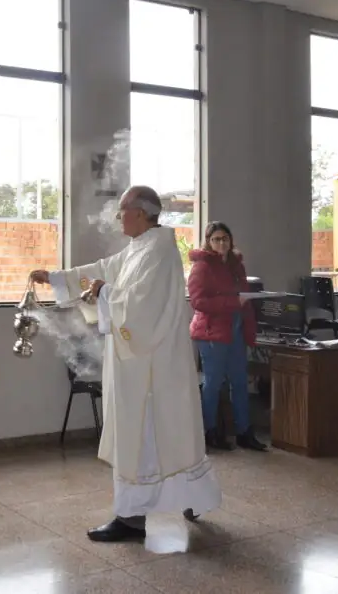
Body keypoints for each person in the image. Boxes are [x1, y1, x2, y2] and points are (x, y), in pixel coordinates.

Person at [30, 186, 221, 543]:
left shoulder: (159, 251)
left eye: (123, 210)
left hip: (152, 369)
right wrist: (56, 277)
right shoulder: (140, 247)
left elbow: (141, 307)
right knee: (158, 438)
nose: (118, 217)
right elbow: (103, 269)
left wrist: (104, 291)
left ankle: (131, 518)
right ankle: (183, 500)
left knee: (143, 439)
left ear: (142, 213)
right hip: (137, 364)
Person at [187, 222, 267, 452]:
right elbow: (198, 302)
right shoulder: (202, 266)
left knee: (240, 382)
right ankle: (209, 432)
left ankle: (244, 432)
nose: (221, 243)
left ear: (231, 240)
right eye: (216, 239)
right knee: (213, 384)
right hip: (212, 332)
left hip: (236, 329)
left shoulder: (236, 265)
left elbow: (243, 296)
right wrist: (233, 302)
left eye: (225, 238)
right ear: (208, 242)